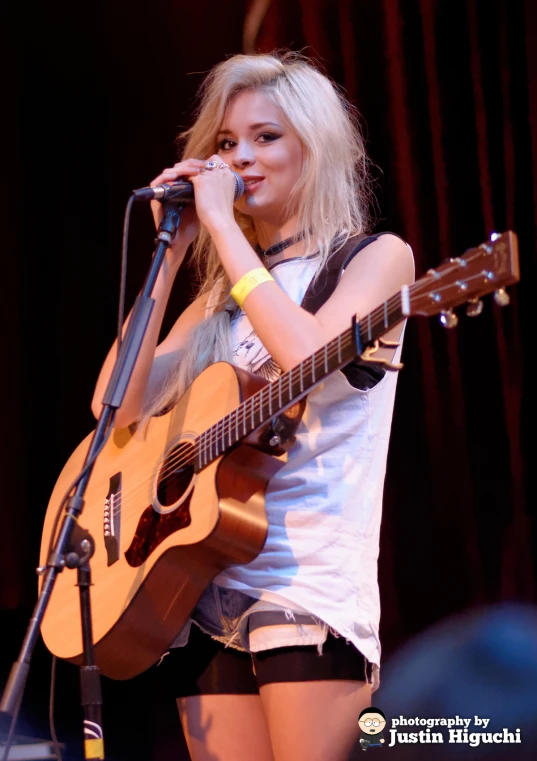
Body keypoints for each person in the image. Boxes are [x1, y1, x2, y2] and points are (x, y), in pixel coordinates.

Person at [91, 51, 415, 761]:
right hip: (202, 584)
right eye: (228, 142)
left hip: (308, 589)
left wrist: (224, 233)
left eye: (266, 137)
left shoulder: (372, 258)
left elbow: (304, 358)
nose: (241, 158)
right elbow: (113, 408)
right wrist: (173, 254)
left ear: (315, 146)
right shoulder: (218, 298)